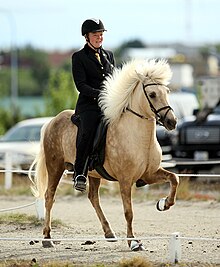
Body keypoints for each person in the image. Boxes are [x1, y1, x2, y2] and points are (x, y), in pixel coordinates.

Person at [71, 18, 116, 192]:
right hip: (89, 105)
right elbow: (81, 86)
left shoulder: (109, 55)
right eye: (95, 35)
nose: (99, 38)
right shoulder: (79, 57)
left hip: (109, 104)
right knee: (88, 130)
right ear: (87, 37)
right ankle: (80, 173)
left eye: (101, 34)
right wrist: (101, 94)